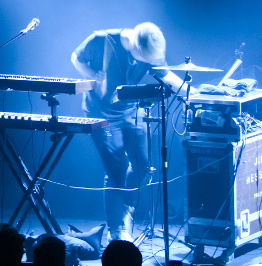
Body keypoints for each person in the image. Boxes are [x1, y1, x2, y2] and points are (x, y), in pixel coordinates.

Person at [71, 22, 193, 241]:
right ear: (134, 46)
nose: (146, 64)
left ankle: (125, 204)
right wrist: (90, 72)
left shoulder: (149, 51)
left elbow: (168, 77)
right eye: (143, 59)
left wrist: (193, 96)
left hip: (130, 111)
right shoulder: (102, 40)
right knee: (116, 170)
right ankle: (116, 230)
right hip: (102, 114)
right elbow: (76, 57)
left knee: (143, 166)